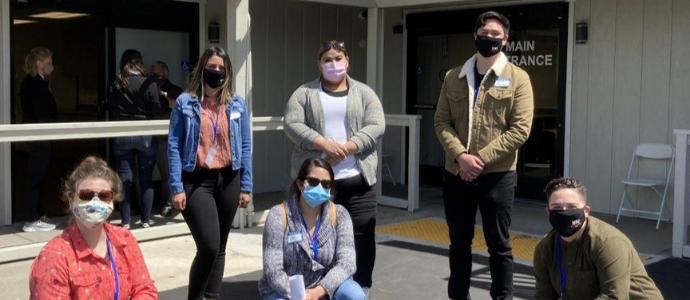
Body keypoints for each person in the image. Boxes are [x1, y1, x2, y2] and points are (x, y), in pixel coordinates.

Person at [433, 11, 534, 300]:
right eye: (484, 33)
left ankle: (502, 297)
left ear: (506, 40)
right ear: (475, 36)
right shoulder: (454, 76)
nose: (489, 39)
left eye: (495, 35)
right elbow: (441, 121)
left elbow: (520, 130)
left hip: (498, 176)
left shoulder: (518, 79)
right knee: (459, 243)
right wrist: (461, 157)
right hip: (457, 173)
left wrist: (478, 160)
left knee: (499, 245)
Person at [283, 40, 385, 294]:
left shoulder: (364, 93)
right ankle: (313, 288)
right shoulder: (304, 93)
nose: (333, 64)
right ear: (319, 64)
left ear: (347, 61)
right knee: (311, 237)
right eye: (327, 59)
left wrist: (349, 147)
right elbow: (291, 123)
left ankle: (360, 288)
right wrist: (324, 145)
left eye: (338, 58)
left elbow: (376, 124)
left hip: (357, 181)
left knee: (362, 237)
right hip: (317, 185)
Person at [168, 45, 252, 300]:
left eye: (221, 68)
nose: (216, 72)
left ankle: (212, 296)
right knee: (209, 245)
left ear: (227, 72)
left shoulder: (236, 103)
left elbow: (245, 145)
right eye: (211, 67)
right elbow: (173, 144)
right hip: (196, 181)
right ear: (202, 68)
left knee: (221, 246)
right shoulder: (186, 102)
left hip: (229, 178)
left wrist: (246, 185)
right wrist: (176, 186)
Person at [28, 156, 158, 299]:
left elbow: (145, 288)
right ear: (71, 199)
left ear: (113, 199)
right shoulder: (55, 256)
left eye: (104, 196)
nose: (95, 202)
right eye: (86, 195)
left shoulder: (124, 239)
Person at [534, 178, 663, 300]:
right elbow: (543, 296)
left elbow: (614, 296)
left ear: (586, 211)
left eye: (572, 207)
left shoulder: (608, 242)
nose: (564, 212)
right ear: (548, 212)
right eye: (557, 208)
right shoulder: (545, 249)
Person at [258, 157, 365, 300]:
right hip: (285, 289)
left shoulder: (340, 214)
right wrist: (301, 295)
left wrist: (317, 292)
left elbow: (347, 264)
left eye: (326, 184)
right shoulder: (278, 215)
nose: (319, 188)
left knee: (354, 294)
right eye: (313, 182)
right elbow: (273, 271)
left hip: (325, 286)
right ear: (300, 184)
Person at [108, 49, 163, 229]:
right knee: (146, 178)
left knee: (124, 178)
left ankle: (125, 221)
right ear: (139, 62)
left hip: (122, 132)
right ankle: (145, 220)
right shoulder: (148, 83)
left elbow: (111, 106)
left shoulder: (116, 83)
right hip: (145, 133)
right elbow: (156, 109)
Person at [20, 47, 57, 232]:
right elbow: (41, 111)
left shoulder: (40, 82)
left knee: (41, 176)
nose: (52, 66)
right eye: (49, 63)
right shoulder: (33, 83)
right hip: (38, 135)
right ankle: (31, 218)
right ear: (39, 64)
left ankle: (39, 214)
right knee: (35, 176)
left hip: (43, 135)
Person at [150, 61, 184, 217]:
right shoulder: (149, 87)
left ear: (166, 74)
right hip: (149, 137)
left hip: (167, 138)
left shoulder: (175, 90)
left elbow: (178, 107)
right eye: (154, 73)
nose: (156, 76)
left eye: (159, 73)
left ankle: (168, 204)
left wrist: (165, 95)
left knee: (167, 174)